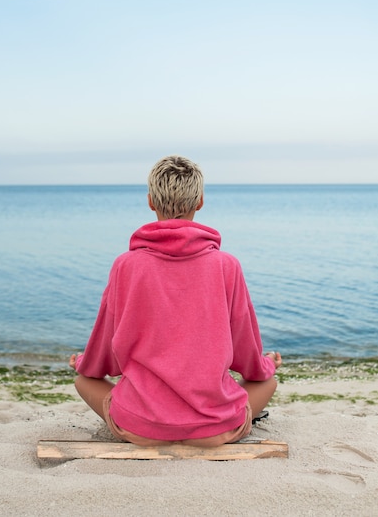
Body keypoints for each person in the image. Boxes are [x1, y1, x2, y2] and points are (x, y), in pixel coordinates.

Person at [69, 155, 282, 447]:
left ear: (150, 202)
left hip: (142, 429)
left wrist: (83, 362)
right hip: (213, 430)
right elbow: (247, 356)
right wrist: (267, 365)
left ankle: (153, 423)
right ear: (200, 202)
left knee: (82, 380)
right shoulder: (227, 265)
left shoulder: (126, 265)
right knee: (267, 382)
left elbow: (104, 351)